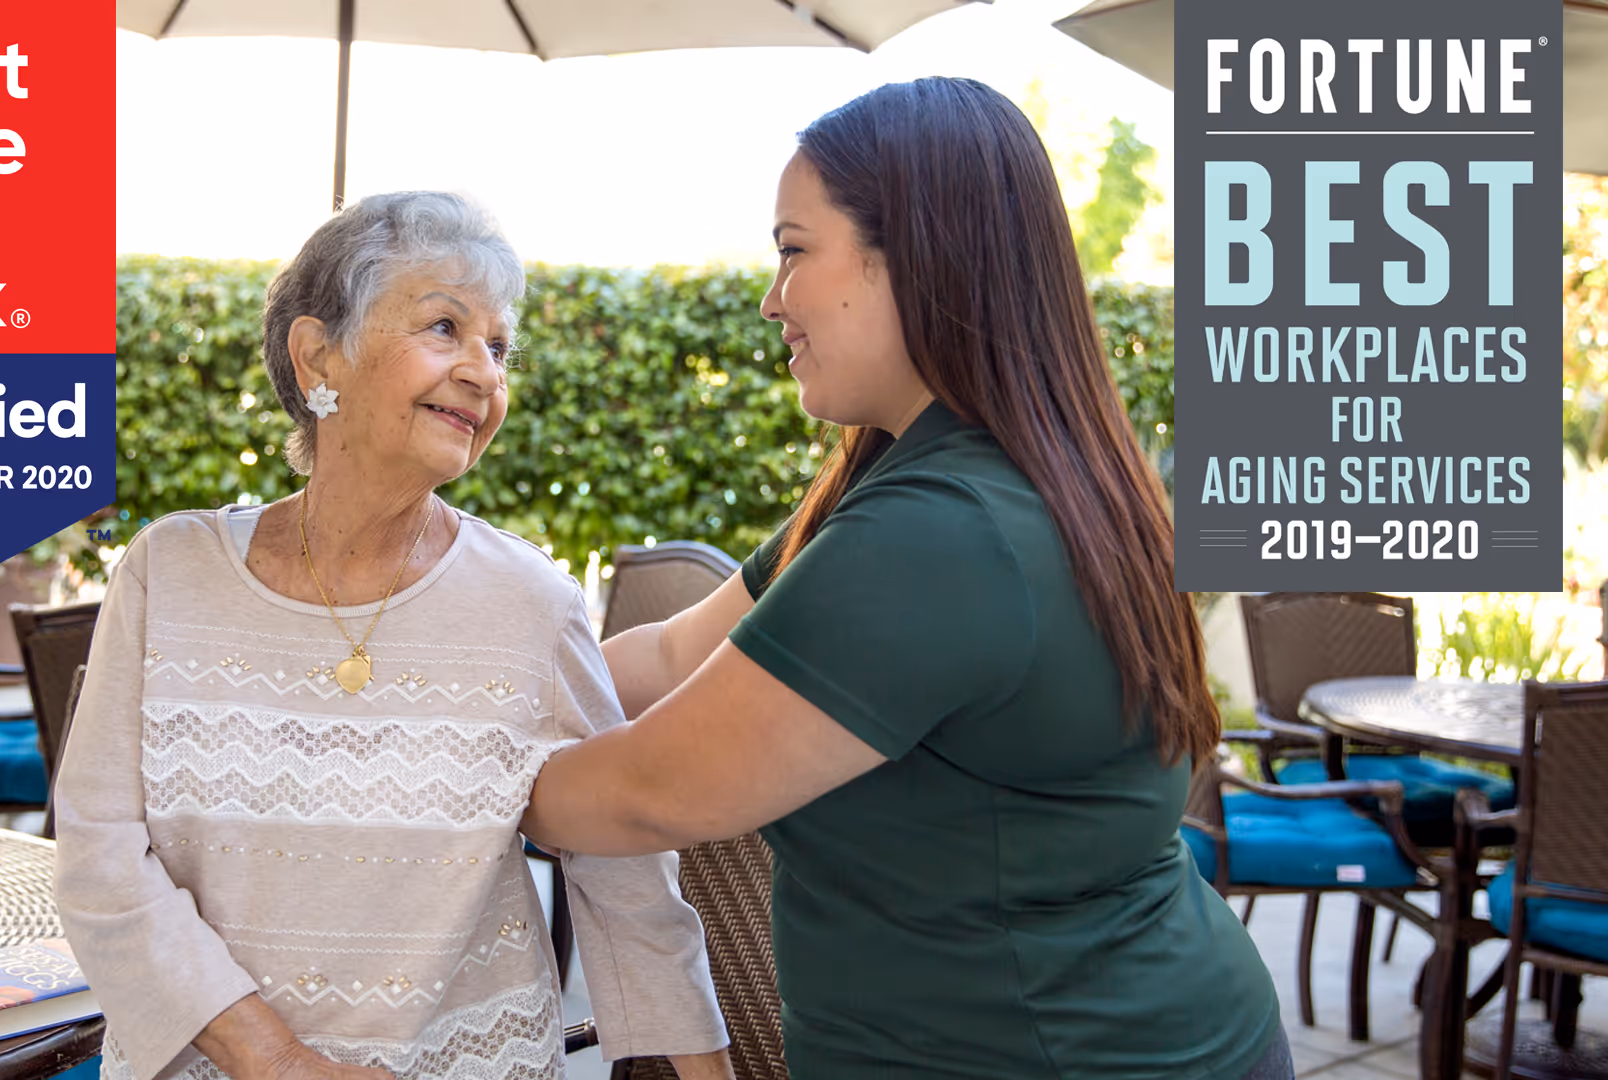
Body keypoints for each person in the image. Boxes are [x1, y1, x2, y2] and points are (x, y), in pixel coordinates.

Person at [521, 79, 1290, 1080]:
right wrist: (488, 685)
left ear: (914, 256)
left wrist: (432, 766)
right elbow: (670, 654)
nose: (772, 298)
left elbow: (646, 793)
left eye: (794, 249)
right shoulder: (949, 474)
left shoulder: (944, 535)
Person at [54, 192, 731, 1080]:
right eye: (444, 327)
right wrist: (282, 1062)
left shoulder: (530, 602)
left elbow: (631, 893)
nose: (484, 373)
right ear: (316, 354)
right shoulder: (167, 571)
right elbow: (100, 858)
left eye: (498, 346)